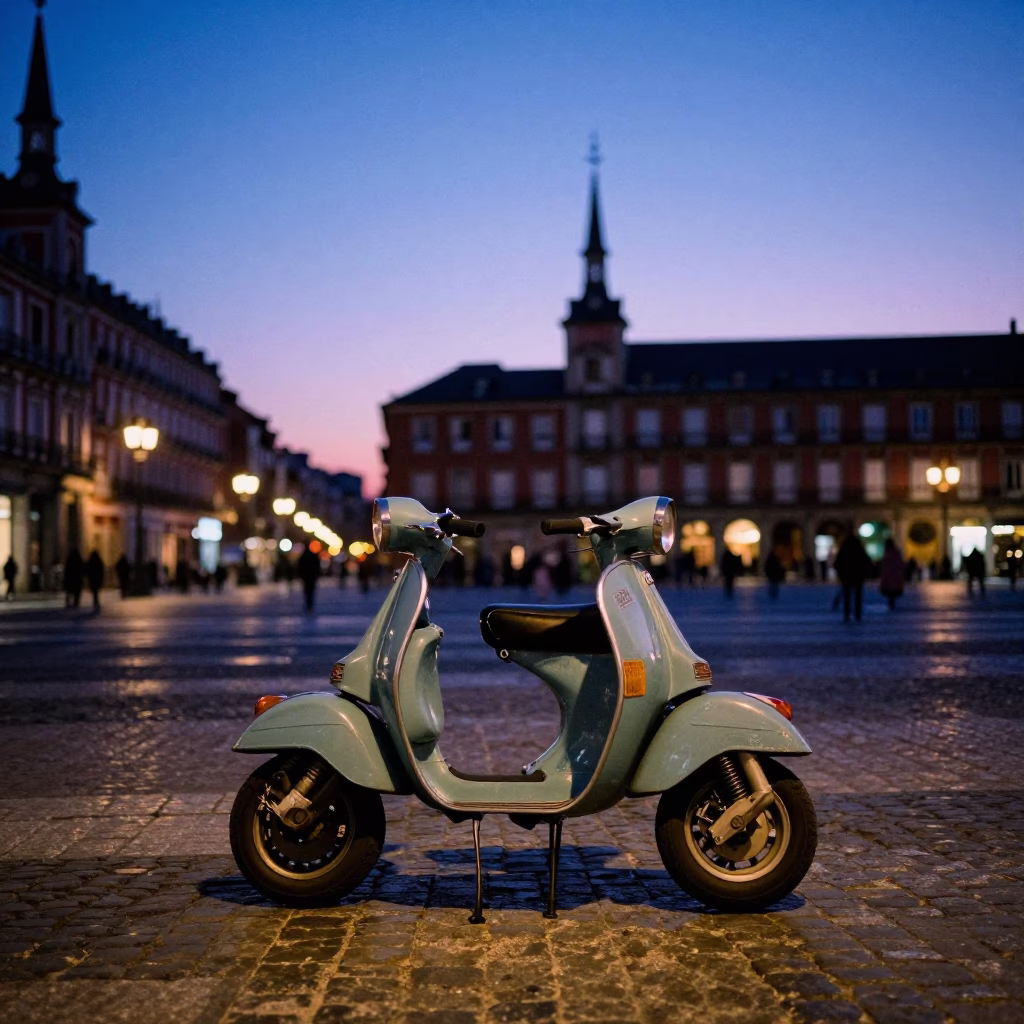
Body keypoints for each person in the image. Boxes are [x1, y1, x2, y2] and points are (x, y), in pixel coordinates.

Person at [833, 529, 872, 622]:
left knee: (847, 596)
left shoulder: (844, 549)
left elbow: (837, 563)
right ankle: (857, 614)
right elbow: (867, 561)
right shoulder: (859, 549)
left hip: (847, 576)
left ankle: (846, 614)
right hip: (858, 576)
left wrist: (841, 573)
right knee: (858, 596)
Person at [878, 538, 905, 610]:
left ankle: (891, 603)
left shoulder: (887, 553)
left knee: (890, 591)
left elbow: (884, 565)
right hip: (894, 575)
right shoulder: (896, 553)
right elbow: (900, 564)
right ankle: (892, 603)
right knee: (892, 591)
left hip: (889, 575)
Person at [296, 544, 321, 612]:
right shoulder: (313, 556)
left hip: (306, 577)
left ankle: (308, 604)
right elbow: (317, 565)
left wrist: (300, 575)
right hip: (312, 577)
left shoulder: (303, 556)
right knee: (311, 591)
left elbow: (299, 567)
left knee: (307, 591)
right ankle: (310, 604)